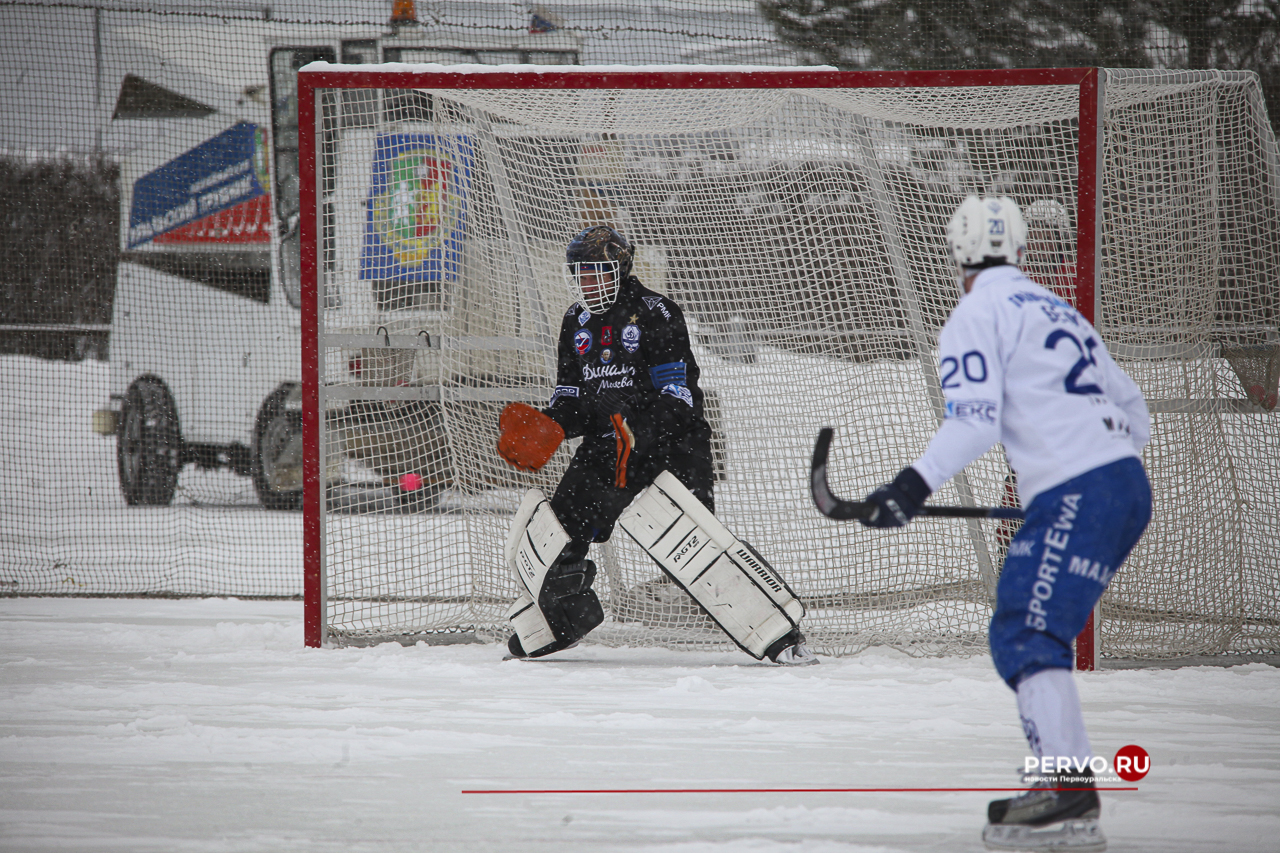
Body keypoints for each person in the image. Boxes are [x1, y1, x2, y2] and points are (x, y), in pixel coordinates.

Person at [859, 196, 1151, 851]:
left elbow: (974, 419)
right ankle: (1068, 787)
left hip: (1080, 490)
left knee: (1026, 629)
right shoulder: (1058, 311)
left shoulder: (975, 313)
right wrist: (1076, 477)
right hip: (1125, 487)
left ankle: (1064, 788)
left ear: (957, 255)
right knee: (1033, 624)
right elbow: (1136, 414)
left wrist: (909, 487)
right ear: (1020, 250)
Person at [498, 225, 814, 664]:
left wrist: (627, 413)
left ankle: (781, 637)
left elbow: (678, 396)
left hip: (671, 442)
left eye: (598, 272)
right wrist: (548, 425)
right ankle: (562, 620)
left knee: (693, 544)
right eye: (581, 275)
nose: (589, 283)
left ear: (621, 268)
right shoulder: (574, 322)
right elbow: (570, 397)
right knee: (560, 527)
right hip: (610, 445)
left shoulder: (656, 312)